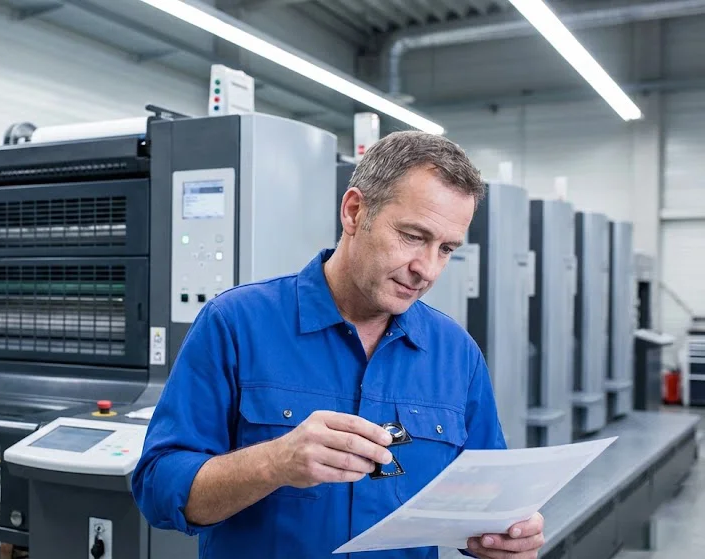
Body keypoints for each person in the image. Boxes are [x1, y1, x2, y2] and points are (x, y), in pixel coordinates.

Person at [131, 131, 546, 559]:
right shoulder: (236, 324)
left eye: (446, 249)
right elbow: (159, 490)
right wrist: (275, 463)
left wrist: (508, 537)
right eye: (412, 236)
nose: (427, 269)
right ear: (354, 212)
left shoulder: (456, 354)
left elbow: (488, 502)